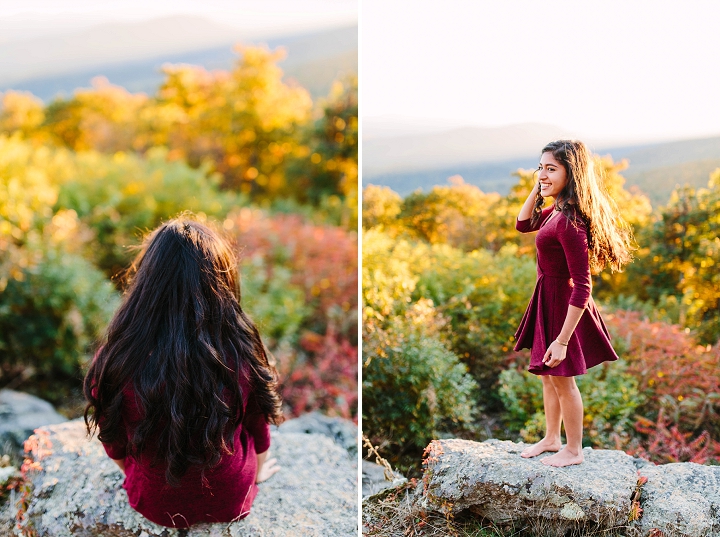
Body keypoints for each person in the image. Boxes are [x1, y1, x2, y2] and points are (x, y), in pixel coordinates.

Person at [83, 217, 283, 528]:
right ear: (222, 285)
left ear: (147, 283)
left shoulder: (119, 358)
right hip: (231, 496)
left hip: (153, 502)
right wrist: (255, 475)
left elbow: (115, 444)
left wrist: (144, 479)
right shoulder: (239, 353)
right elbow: (259, 428)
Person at [513, 140, 633, 467]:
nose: (543, 174)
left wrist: (563, 340)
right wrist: (539, 188)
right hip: (548, 300)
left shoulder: (570, 222)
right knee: (548, 376)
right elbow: (523, 224)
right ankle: (552, 438)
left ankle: (574, 450)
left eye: (551, 168)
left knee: (563, 379)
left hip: (565, 305)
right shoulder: (556, 211)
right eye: (540, 167)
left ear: (571, 172)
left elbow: (583, 285)